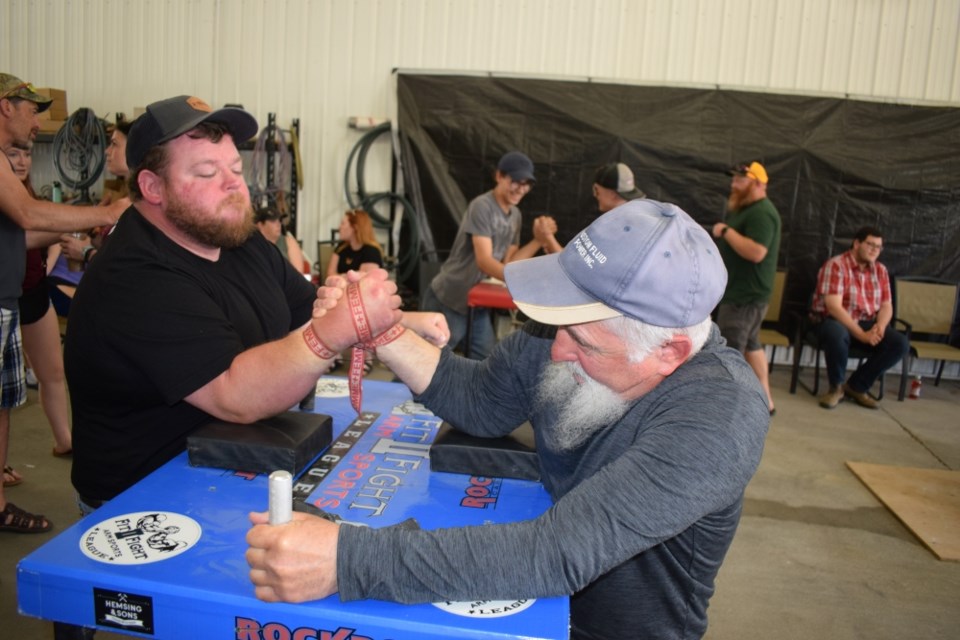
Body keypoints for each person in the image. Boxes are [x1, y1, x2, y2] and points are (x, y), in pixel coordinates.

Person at [247, 199, 771, 640]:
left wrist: (345, 560)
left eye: (584, 342)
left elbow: (559, 551)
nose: (556, 348)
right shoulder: (563, 333)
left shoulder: (720, 415)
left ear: (669, 352)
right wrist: (382, 331)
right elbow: (480, 400)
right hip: (522, 613)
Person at [63, 95, 442, 512]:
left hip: (227, 467)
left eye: (236, 168)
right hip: (143, 502)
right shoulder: (135, 276)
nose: (234, 184)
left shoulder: (235, 239)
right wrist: (339, 327)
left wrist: (395, 315)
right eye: (207, 172)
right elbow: (236, 395)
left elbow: (310, 309)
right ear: (152, 187)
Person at [1, 72, 123, 533]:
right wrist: (106, 212)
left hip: (10, 299)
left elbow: (25, 231)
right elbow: (29, 215)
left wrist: (75, 229)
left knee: (6, 400)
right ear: (5, 107)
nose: (36, 123)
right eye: (32, 110)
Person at [423, 150, 558, 359]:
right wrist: (521, 282)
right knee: (426, 361)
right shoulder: (482, 206)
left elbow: (510, 262)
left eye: (526, 184)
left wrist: (539, 240)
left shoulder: (515, 215)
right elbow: (484, 261)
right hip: (450, 298)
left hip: (476, 304)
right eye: (515, 181)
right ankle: (390, 391)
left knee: (486, 360)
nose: (520, 189)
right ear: (499, 176)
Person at [6, 142, 72, 457]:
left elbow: (43, 233)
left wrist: (63, 232)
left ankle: (65, 441)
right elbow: (23, 237)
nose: (22, 161)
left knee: (52, 372)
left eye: (26, 154)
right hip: (4, 296)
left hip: (32, 291)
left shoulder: (30, 198)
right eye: (12, 154)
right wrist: (73, 223)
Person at [810, 226, 909, 409]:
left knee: (900, 343)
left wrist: (879, 326)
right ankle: (836, 388)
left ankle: (857, 386)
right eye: (870, 244)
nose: (874, 250)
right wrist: (862, 335)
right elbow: (834, 307)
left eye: (878, 247)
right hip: (834, 320)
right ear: (856, 243)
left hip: (867, 322)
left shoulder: (880, 270)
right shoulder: (836, 265)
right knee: (836, 333)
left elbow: (887, 305)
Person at [712, 161, 781, 415]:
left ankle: (727, 408)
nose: (734, 184)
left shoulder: (761, 212)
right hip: (745, 293)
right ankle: (767, 400)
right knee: (752, 344)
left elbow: (756, 252)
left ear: (759, 184)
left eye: (741, 180)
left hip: (745, 296)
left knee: (731, 351)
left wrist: (726, 231)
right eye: (734, 179)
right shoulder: (748, 208)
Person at [325, 209, 384, 278]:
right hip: (338, 288)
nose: (339, 227)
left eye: (343, 223)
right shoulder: (341, 247)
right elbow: (329, 275)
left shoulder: (372, 252)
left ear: (355, 227)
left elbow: (363, 282)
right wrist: (347, 278)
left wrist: (339, 277)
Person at [253, 205, 308, 273]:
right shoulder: (252, 245)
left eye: (279, 220)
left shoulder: (288, 242)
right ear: (260, 225)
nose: (278, 224)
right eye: (273, 221)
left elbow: (298, 274)